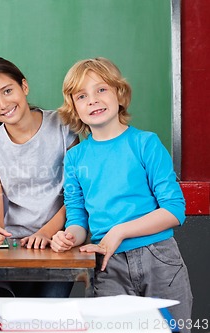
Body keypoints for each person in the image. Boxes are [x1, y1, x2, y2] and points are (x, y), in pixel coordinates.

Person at [51, 57, 192, 330]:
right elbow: (78, 219)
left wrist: (120, 231)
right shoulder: (75, 158)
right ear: (74, 108)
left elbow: (174, 210)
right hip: (108, 264)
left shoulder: (145, 143)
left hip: (159, 259)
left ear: (120, 93)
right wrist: (69, 237)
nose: (93, 100)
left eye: (101, 89)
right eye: (82, 95)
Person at [0, 57, 78, 297]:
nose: (2, 104)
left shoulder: (63, 126)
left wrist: (45, 233)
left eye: (7, 91)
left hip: (60, 243)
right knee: (16, 314)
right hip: (17, 248)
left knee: (48, 314)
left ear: (24, 87)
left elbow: (76, 196)